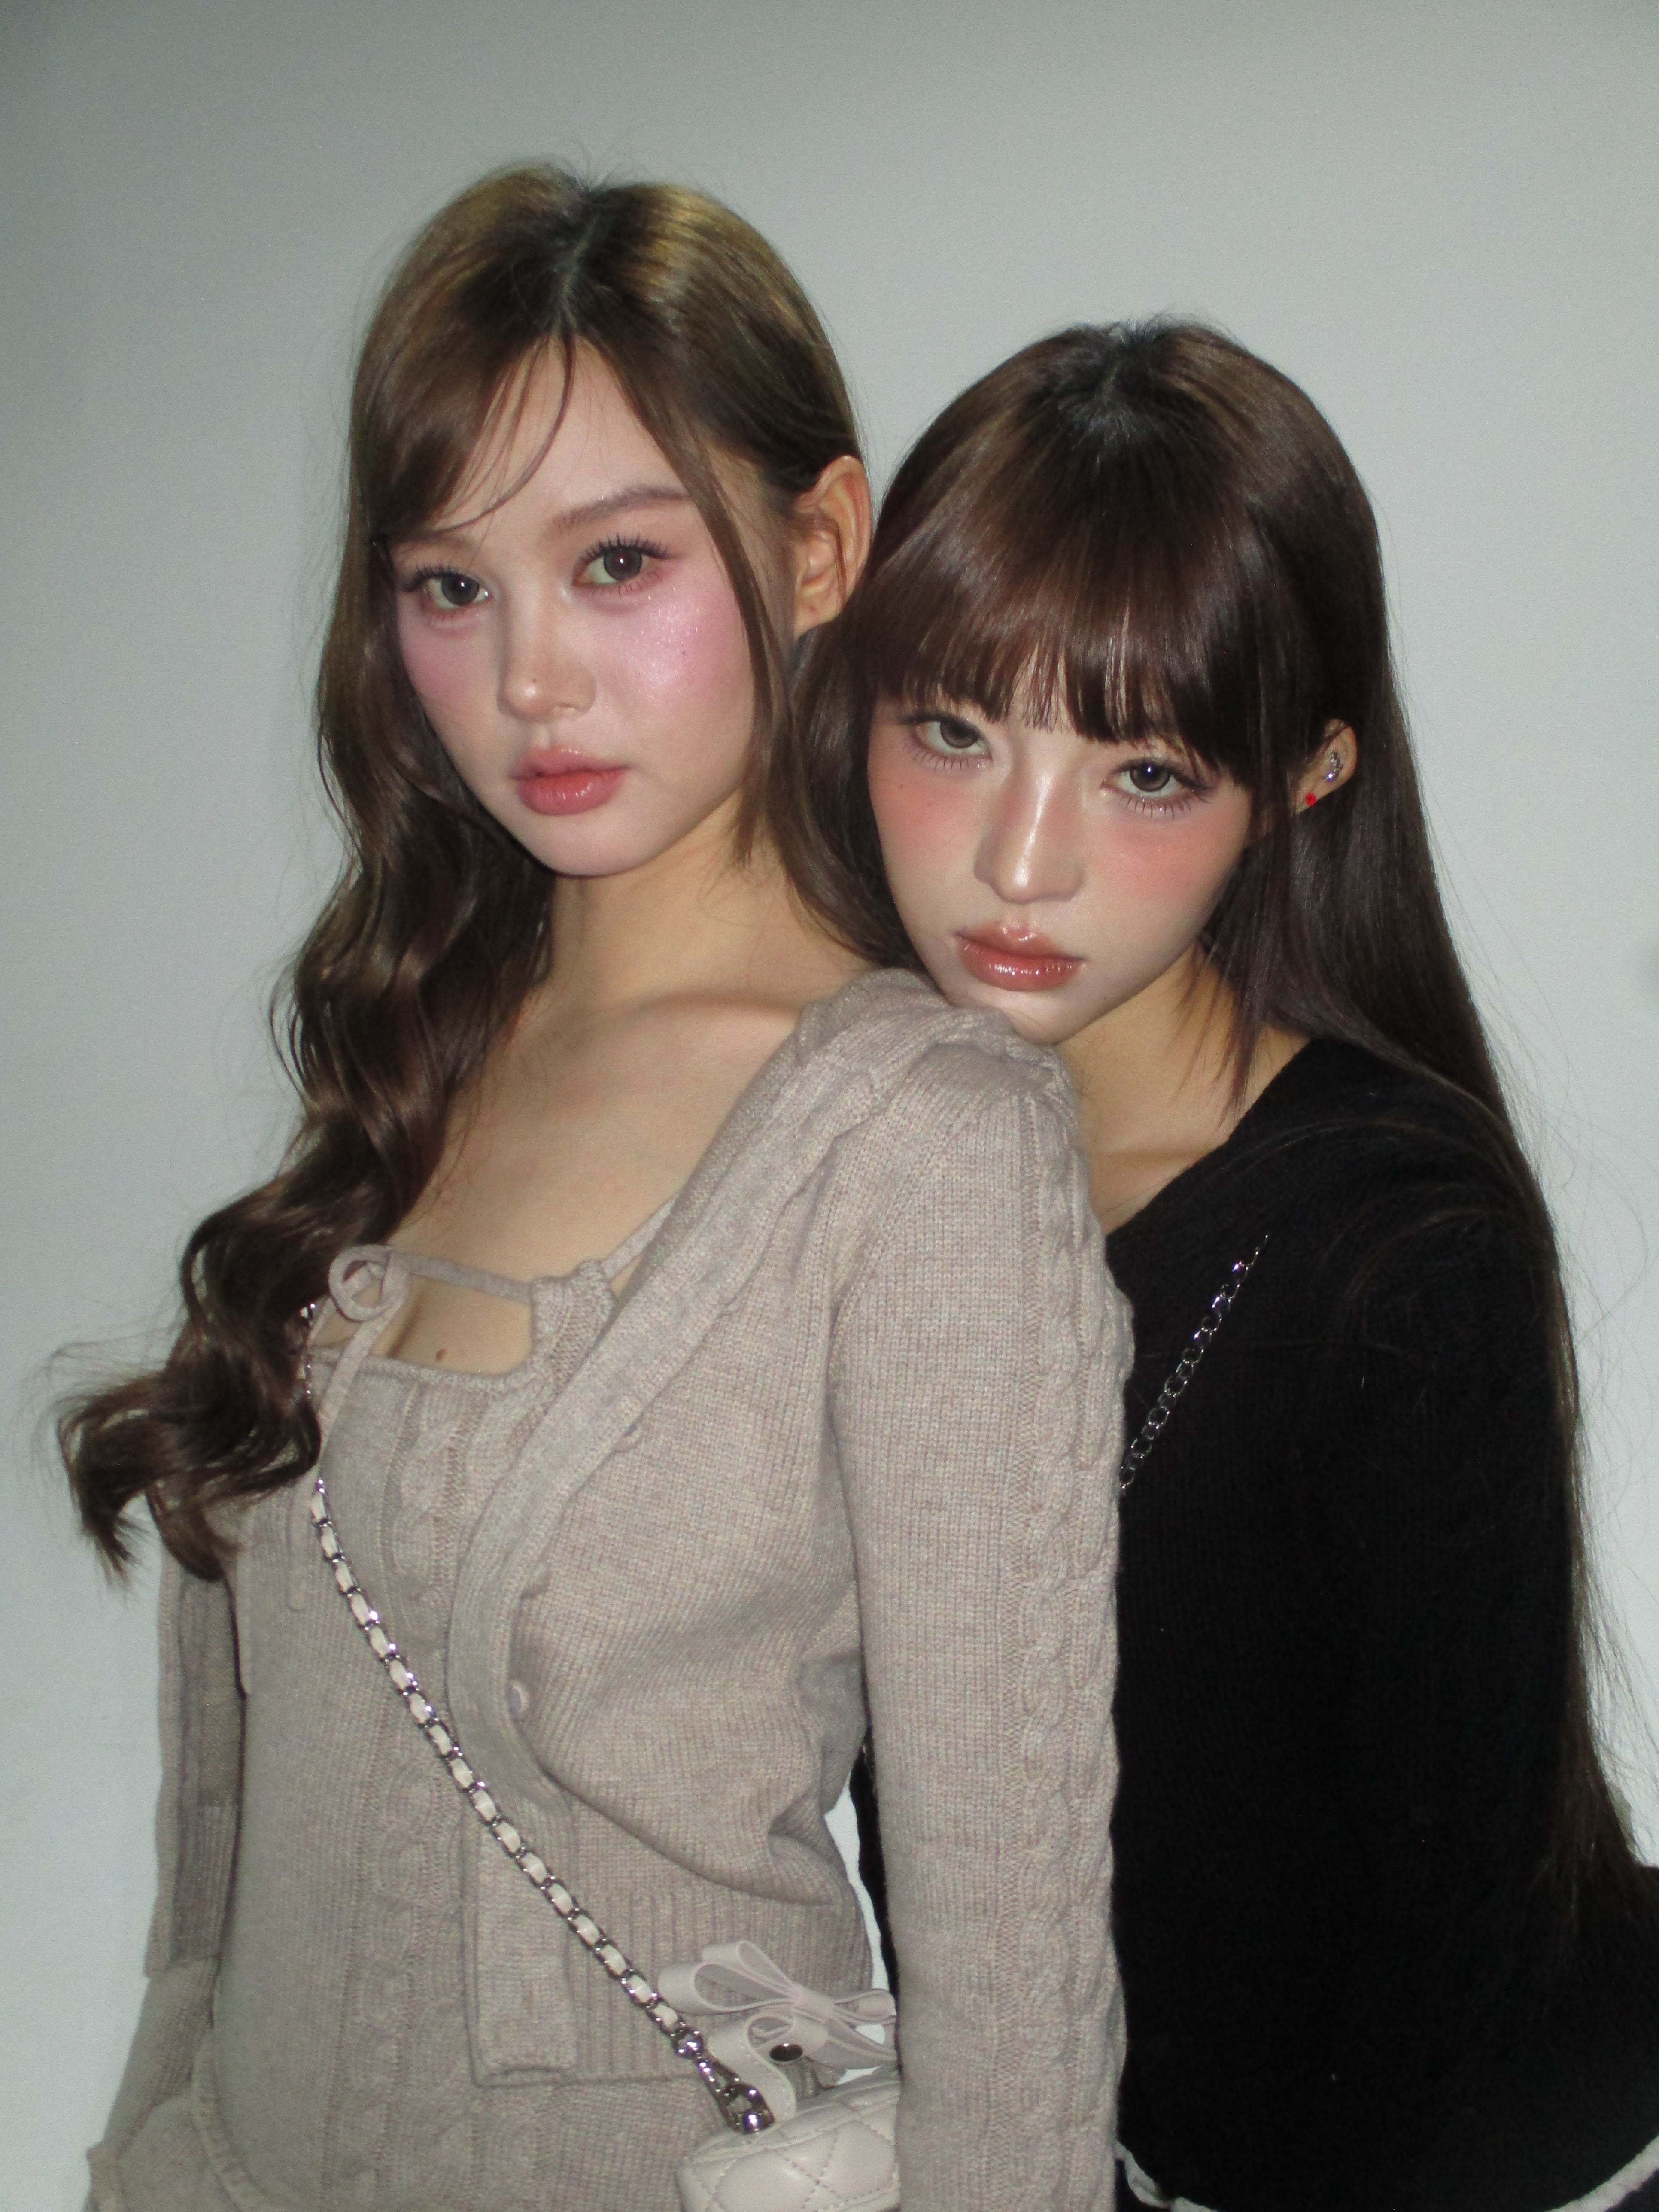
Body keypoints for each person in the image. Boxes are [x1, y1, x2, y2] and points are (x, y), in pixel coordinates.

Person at [61, 168, 1130, 2212]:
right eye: (449, 586)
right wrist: (153, 2131)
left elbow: (1012, 1964)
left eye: (617, 561)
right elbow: (235, 1794)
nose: (528, 678)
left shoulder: (925, 1143)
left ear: (819, 548)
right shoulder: (417, 1051)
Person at [782, 320, 1659, 2212]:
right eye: (955, 732)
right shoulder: (884, 1175)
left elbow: (1449, 1955)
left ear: (1308, 773)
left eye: (1146, 772)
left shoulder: (1394, 1245)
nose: (1022, 862)